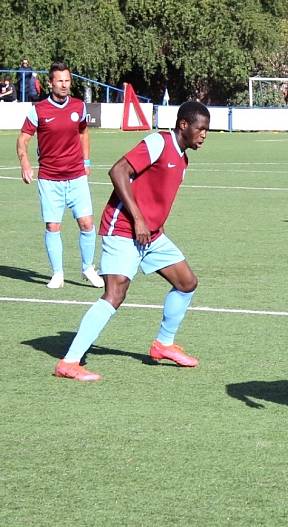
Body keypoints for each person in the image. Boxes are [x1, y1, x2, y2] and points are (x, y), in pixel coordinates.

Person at [53, 101, 211, 382]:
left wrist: (149, 225)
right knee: (115, 293)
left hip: (152, 235)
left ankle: (163, 344)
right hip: (124, 228)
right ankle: (70, 362)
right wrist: (137, 218)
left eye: (206, 130)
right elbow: (118, 171)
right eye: (200, 129)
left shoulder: (183, 159)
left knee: (187, 283)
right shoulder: (158, 142)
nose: (203, 135)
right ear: (184, 125)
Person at [17, 62, 104, 289]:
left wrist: (86, 161)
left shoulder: (79, 106)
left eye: (67, 80)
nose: (64, 85)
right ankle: (57, 274)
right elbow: (23, 140)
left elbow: (83, 132)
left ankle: (88, 268)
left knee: (87, 223)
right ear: (51, 83)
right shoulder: (38, 110)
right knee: (53, 227)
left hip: (76, 177)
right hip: (49, 179)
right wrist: (25, 163)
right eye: (60, 81)